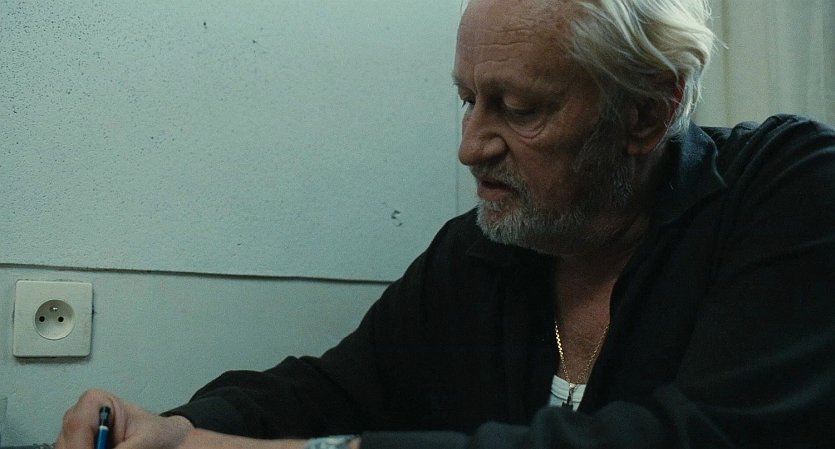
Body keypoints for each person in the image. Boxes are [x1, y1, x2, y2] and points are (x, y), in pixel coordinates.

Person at [57, 0, 835, 448]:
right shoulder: (483, 248)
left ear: (646, 111)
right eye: (467, 100)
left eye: (518, 109)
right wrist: (178, 426)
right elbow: (332, 388)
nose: (469, 146)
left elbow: (696, 436)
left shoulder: (790, 185)